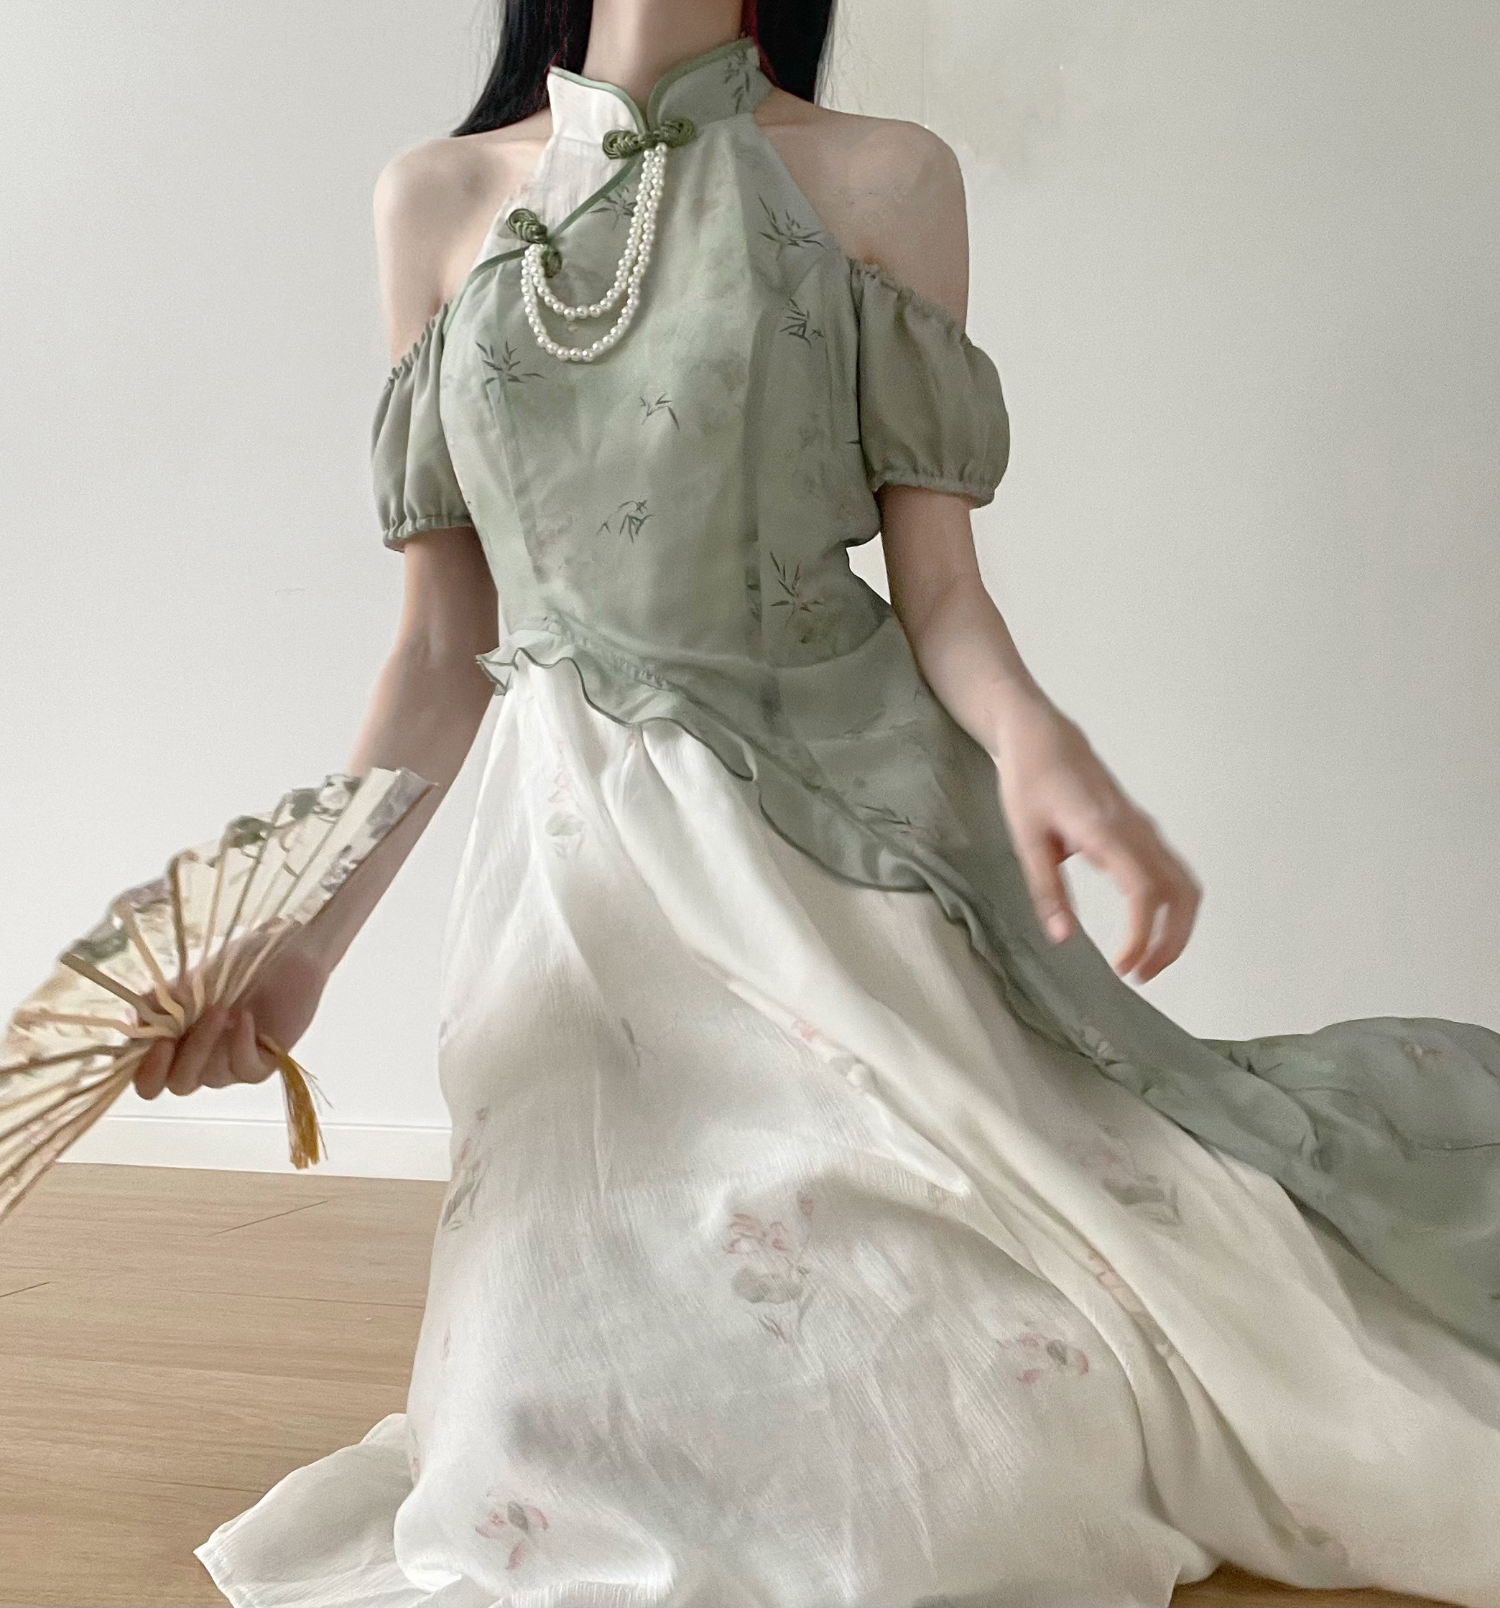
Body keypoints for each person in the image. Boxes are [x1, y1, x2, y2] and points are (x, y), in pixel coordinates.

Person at [147, 2, 1500, 1604]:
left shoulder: (883, 178)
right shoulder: (434, 199)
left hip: (847, 857)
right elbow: (444, 650)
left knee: (979, 1453)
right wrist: (300, 944)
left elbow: (945, 596)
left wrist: (1044, 749)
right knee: (547, 1452)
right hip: (576, 901)